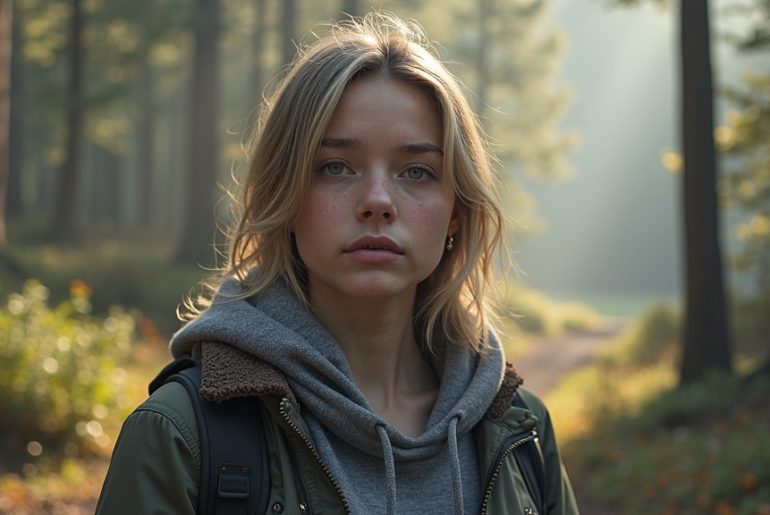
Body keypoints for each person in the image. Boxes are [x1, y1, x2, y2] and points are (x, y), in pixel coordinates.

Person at [96, 12, 578, 515]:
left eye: (417, 171)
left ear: (456, 211)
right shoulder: (179, 437)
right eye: (334, 167)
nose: (377, 201)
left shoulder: (522, 435)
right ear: (284, 196)